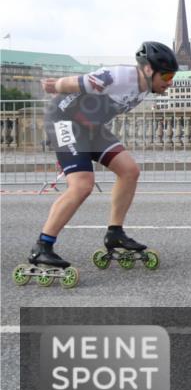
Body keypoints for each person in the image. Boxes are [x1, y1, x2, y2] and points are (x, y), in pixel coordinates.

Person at [16, 42, 178, 287]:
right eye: (166, 75)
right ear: (147, 70)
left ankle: (115, 233)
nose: (169, 82)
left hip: (90, 128)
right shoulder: (119, 76)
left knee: (129, 171)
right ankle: (42, 246)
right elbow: (77, 82)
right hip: (64, 120)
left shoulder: (146, 87)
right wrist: (54, 85)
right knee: (82, 185)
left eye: (172, 76)